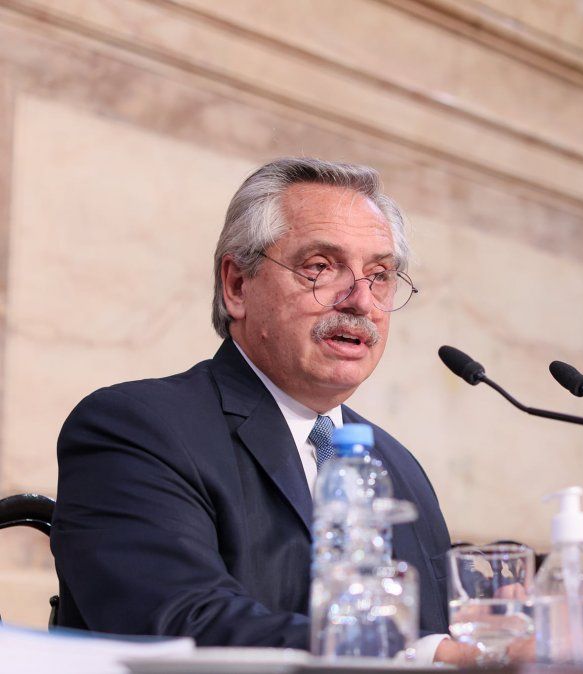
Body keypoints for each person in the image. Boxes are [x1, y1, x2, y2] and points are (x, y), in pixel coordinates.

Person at [50, 157, 469, 664]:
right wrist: (407, 655)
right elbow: (181, 622)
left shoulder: (396, 464)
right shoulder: (136, 428)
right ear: (237, 286)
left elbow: (443, 630)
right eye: (320, 267)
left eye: (380, 275)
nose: (361, 300)